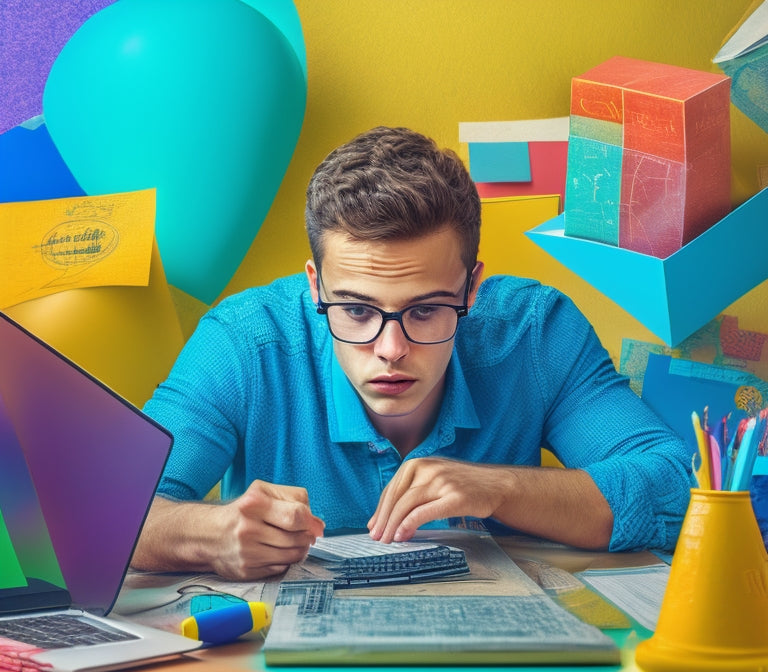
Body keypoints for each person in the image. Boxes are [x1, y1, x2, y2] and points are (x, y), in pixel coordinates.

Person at [134, 125, 692, 581]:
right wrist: (210, 535)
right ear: (315, 286)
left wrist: (500, 488)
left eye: (425, 310)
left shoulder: (537, 332)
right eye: (355, 311)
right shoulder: (242, 341)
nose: (391, 350)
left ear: (472, 290)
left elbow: (677, 485)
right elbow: (103, 511)